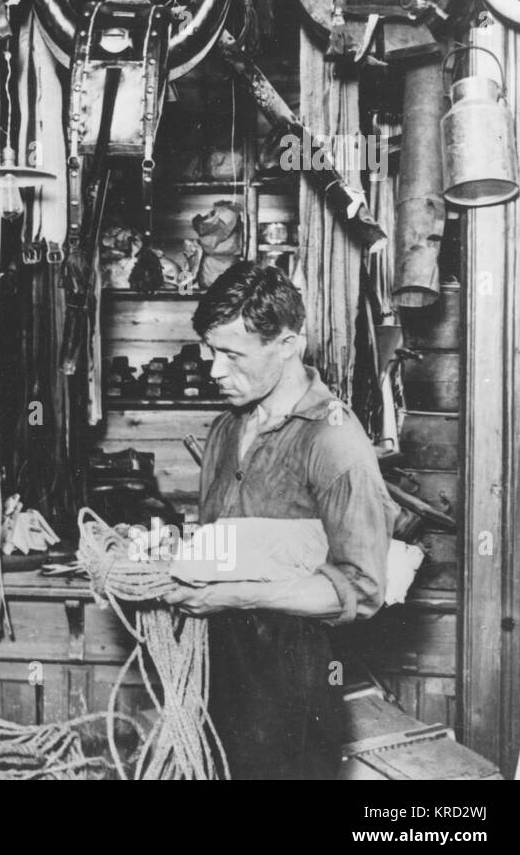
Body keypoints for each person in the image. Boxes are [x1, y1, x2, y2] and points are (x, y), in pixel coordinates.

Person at [161, 261, 395, 780]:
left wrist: (236, 594)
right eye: (209, 351)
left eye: (231, 354)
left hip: (295, 678)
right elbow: (219, 544)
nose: (215, 370)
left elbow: (360, 591)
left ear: (288, 345)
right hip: (216, 666)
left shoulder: (333, 440)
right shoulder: (226, 428)